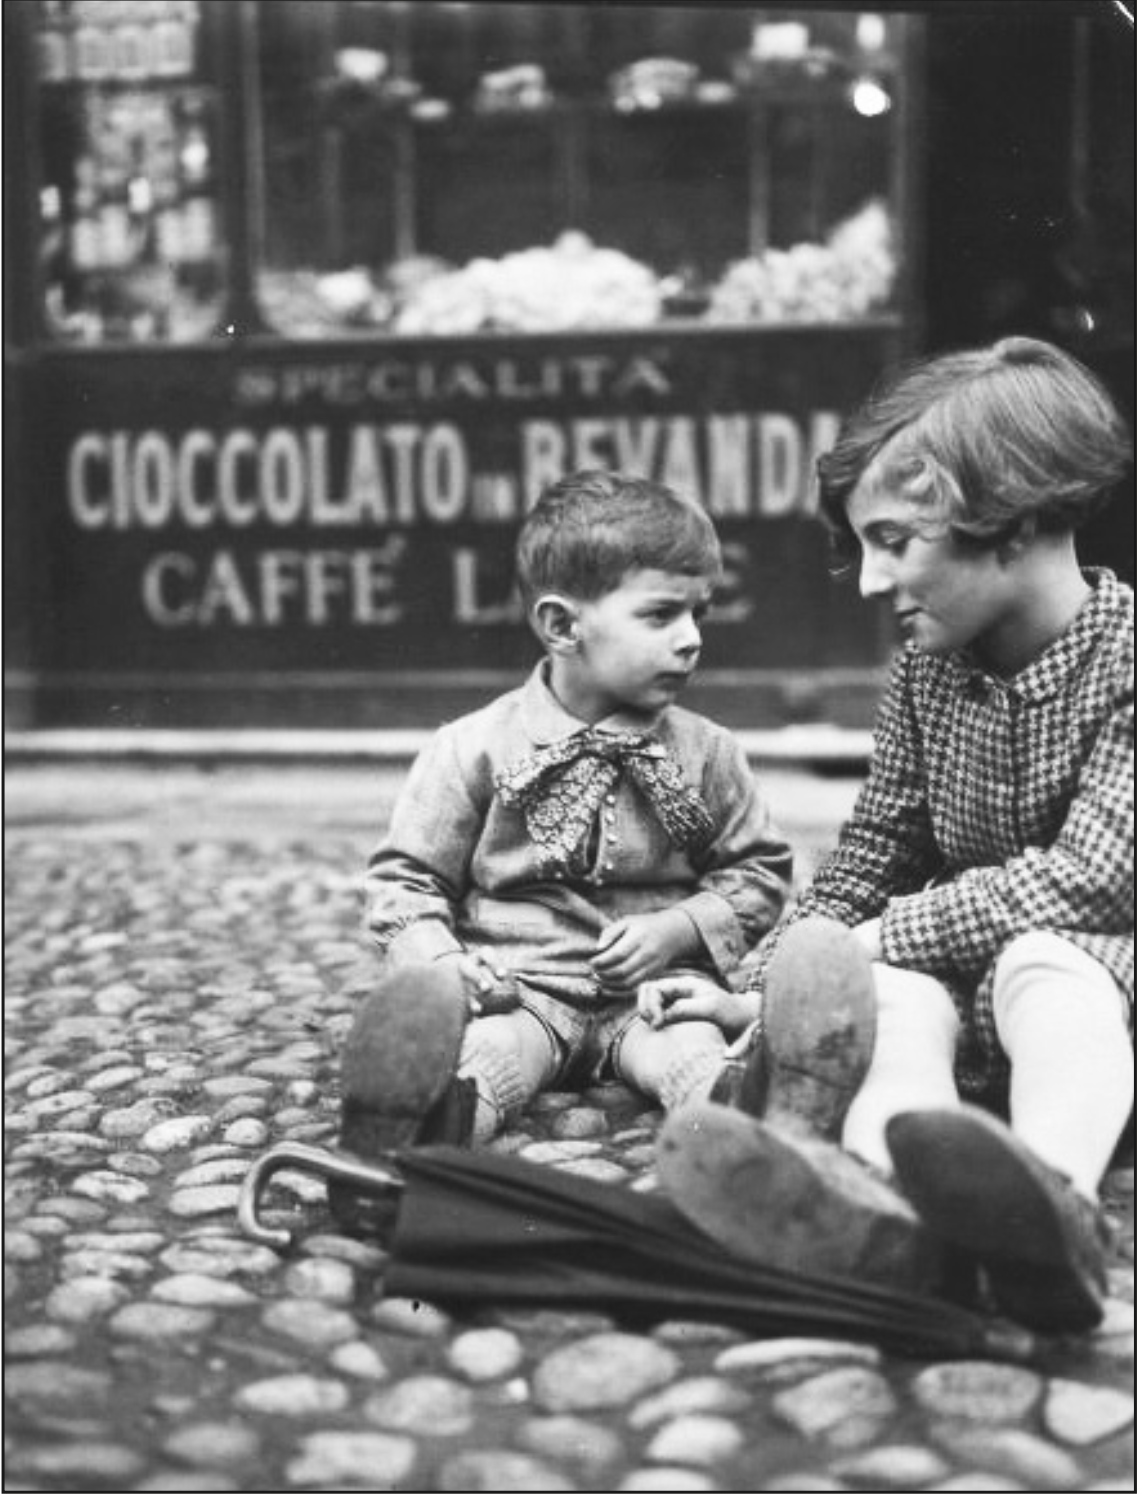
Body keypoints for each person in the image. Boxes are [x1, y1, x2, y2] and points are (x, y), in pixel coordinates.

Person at [649, 335, 1135, 1333]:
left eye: (895, 540)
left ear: (1014, 523)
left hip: (1101, 992)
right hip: (963, 990)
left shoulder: (1129, 659)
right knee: (890, 996)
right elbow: (877, 850)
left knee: (1045, 963)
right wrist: (774, 981)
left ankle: (1055, 1209)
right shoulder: (927, 669)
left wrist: (882, 936)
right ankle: (881, 1208)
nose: (870, 581)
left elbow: (1093, 881)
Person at [332, 468, 792, 1222]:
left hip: (652, 996)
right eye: (662, 614)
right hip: (522, 987)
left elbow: (760, 870)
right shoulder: (473, 747)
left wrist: (678, 928)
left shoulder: (708, 753)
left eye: (699, 613)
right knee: (492, 1055)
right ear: (561, 626)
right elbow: (407, 881)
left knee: (691, 1053)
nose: (692, 639)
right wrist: (444, 967)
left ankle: (736, 1151)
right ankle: (402, 1147)